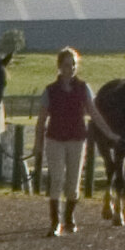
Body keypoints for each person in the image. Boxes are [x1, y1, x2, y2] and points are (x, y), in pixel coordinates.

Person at [38, 48, 94, 235]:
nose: (71, 69)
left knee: (73, 182)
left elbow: (94, 113)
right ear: (60, 67)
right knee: (56, 179)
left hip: (77, 140)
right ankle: (55, 221)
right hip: (55, 139)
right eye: (67, 65)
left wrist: (110, 133)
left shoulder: (83, 88)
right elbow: (41, 120)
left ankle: (69, 217)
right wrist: (38, 144)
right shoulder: (50, 91)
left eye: (73, 65)